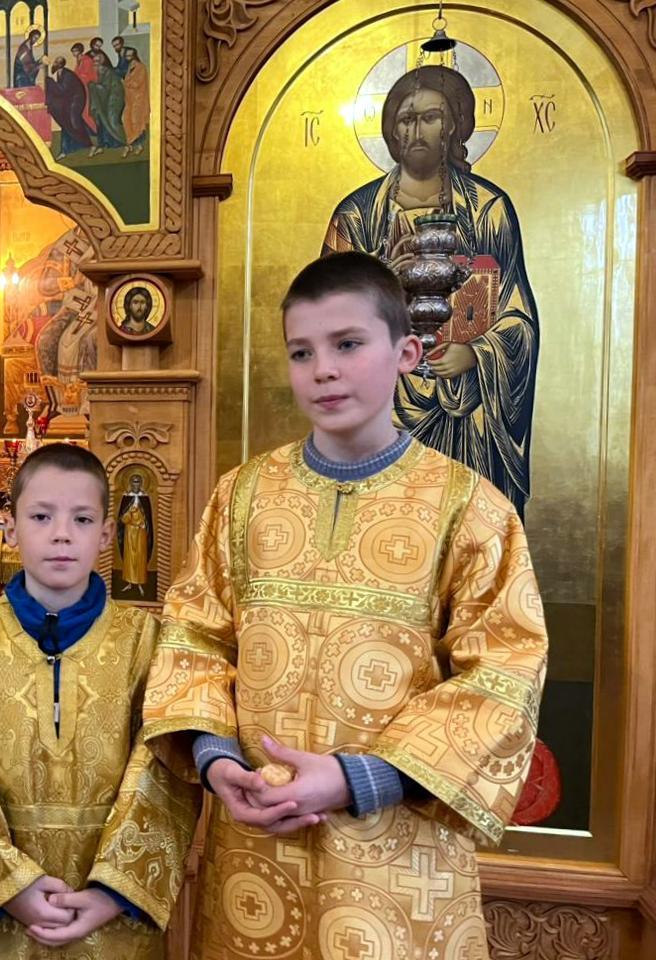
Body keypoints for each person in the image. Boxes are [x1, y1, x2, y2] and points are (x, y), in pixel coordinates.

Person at [140, 252, 548, 959]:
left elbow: (505, 674)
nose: (323, 370)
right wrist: (214, 758)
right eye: (302, 352)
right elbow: (195, 636)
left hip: (393, 860)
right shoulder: (242, 496)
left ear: (407, 353)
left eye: (348, 344)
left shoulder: (470, 509)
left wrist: (360, 778)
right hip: (256, 851)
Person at [0, 444, 200, 959]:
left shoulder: (146, 643)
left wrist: (113, 892)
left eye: (81, 519)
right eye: (41, 517)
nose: (61, 534)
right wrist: (10, 887)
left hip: (111, 916)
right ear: (11, 529)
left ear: (105, 535)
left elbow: (166, 766)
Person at [322, 65, 539, 518]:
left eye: (430, 117)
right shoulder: (356, 216)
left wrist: (475, 355)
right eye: (406, 119)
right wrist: (382, 279)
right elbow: (323, 317)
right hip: (382, 405)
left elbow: (516, 316)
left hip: (465, 413)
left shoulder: (487, 210)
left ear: (453, 126)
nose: (416, 130)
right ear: (391, 129)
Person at [43, 55, 95, 158]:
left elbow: (62, 90)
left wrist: (50, 82)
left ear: (60, 65)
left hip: (76, 101)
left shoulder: (68, 75)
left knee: (74, 123)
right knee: (65, 123)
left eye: (56, 63)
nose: (54, 64)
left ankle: (90, 145)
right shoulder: (60, 73)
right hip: (69, 101)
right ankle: (65, 150)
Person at [120, 48, 148, 157]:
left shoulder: (141, 67)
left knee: (136, 121)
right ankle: (130, 142)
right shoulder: (129, 67)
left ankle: (137, 145)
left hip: (138, 99)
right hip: (129, 99)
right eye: (126, 56)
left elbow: (137, 83)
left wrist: (125, 82)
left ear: (134, 56)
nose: (128, 58)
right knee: (125, 119)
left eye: (130, 56)